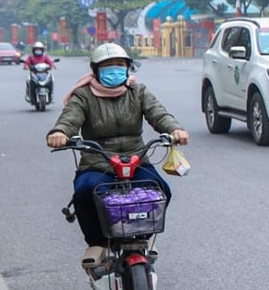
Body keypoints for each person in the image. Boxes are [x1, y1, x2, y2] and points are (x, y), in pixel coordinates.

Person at [47, 42, 189, 270]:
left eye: (119, 65)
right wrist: (60, 132)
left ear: (128, 68)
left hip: (137, 157)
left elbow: (159, 113)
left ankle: (144, 237)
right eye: (107, 66)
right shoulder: (83, 96)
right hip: (97, 161)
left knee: (161, 190)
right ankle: (97, 243)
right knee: (85, 192)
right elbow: (70, 118)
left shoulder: (138, 92)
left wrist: (174, 129)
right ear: (95, 70)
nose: (114, 70)